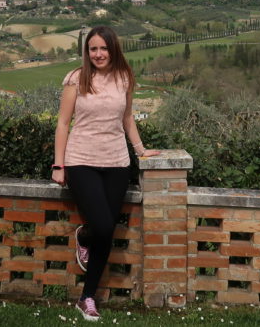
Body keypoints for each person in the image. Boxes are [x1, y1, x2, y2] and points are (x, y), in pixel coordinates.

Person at [52, 25, 158, 322]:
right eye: (93, 49)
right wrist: (58, 165)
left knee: (108, 230)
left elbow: (127, 119)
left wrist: (141, 151)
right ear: (87, 52)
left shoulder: (124, 78)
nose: (98, 54)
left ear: (113, 49)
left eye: (103, 48)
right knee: (99, 226)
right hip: (81, 161)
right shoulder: (76, 78)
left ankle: (87, 297)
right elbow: (63, 123)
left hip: (117, 163)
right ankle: (84, 236)